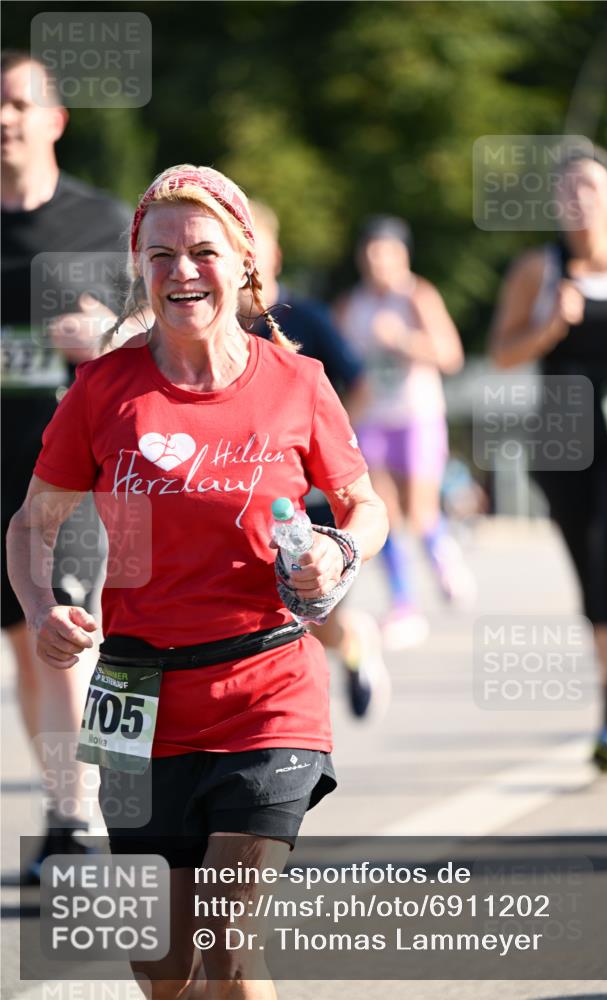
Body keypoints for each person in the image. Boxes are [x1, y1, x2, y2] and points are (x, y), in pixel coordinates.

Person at [7, 163, 388, 999]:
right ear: (138, 267)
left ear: (246, 262)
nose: (182, 271)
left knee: (226, 948)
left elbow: (365, 505)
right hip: (136, 696)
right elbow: (31, 524)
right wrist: (44, 608)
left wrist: (340, 551)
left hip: (268, 690)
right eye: (160, 254)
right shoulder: (105, 389)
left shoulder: (298, 383)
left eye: (203, 251)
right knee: (162, 965)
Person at [488, 150, 607, 775]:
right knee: (592, 570)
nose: (579, 198)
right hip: (562, 427)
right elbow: (502, 354)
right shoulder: (538, 269)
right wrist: (547, 325)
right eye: (566, 190)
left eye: (590, 186)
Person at [1, 49, 131, 879]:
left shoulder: (103, 222)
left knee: (70, 632)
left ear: (54, 119)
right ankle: (60, 806)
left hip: (70, 472)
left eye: (17, 104)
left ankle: (76, 818)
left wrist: (105, 341)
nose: (3, 120)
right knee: (23, 644)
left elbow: (155, 340)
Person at [240, 201, 391, 719]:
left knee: (309, 607)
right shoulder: (214, 327)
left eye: (254, 247)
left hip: (310, 494)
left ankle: (353, 642)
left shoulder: (307, 318)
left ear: (274, 253)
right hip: (245, 493)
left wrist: (327, 444)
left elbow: (360, 383)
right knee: (273, 611)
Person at [336, 216, 469, 650]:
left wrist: (404, 340)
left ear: (402, 255)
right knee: (383, 512)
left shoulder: (417, 296)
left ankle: (441, 554)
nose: (377, 261)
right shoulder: (350, 305)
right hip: (371, 418)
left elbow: (450, 355)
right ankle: (404, 604)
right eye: (370, 253)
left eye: (386, 252)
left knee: (422, 509)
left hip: (417, 415)